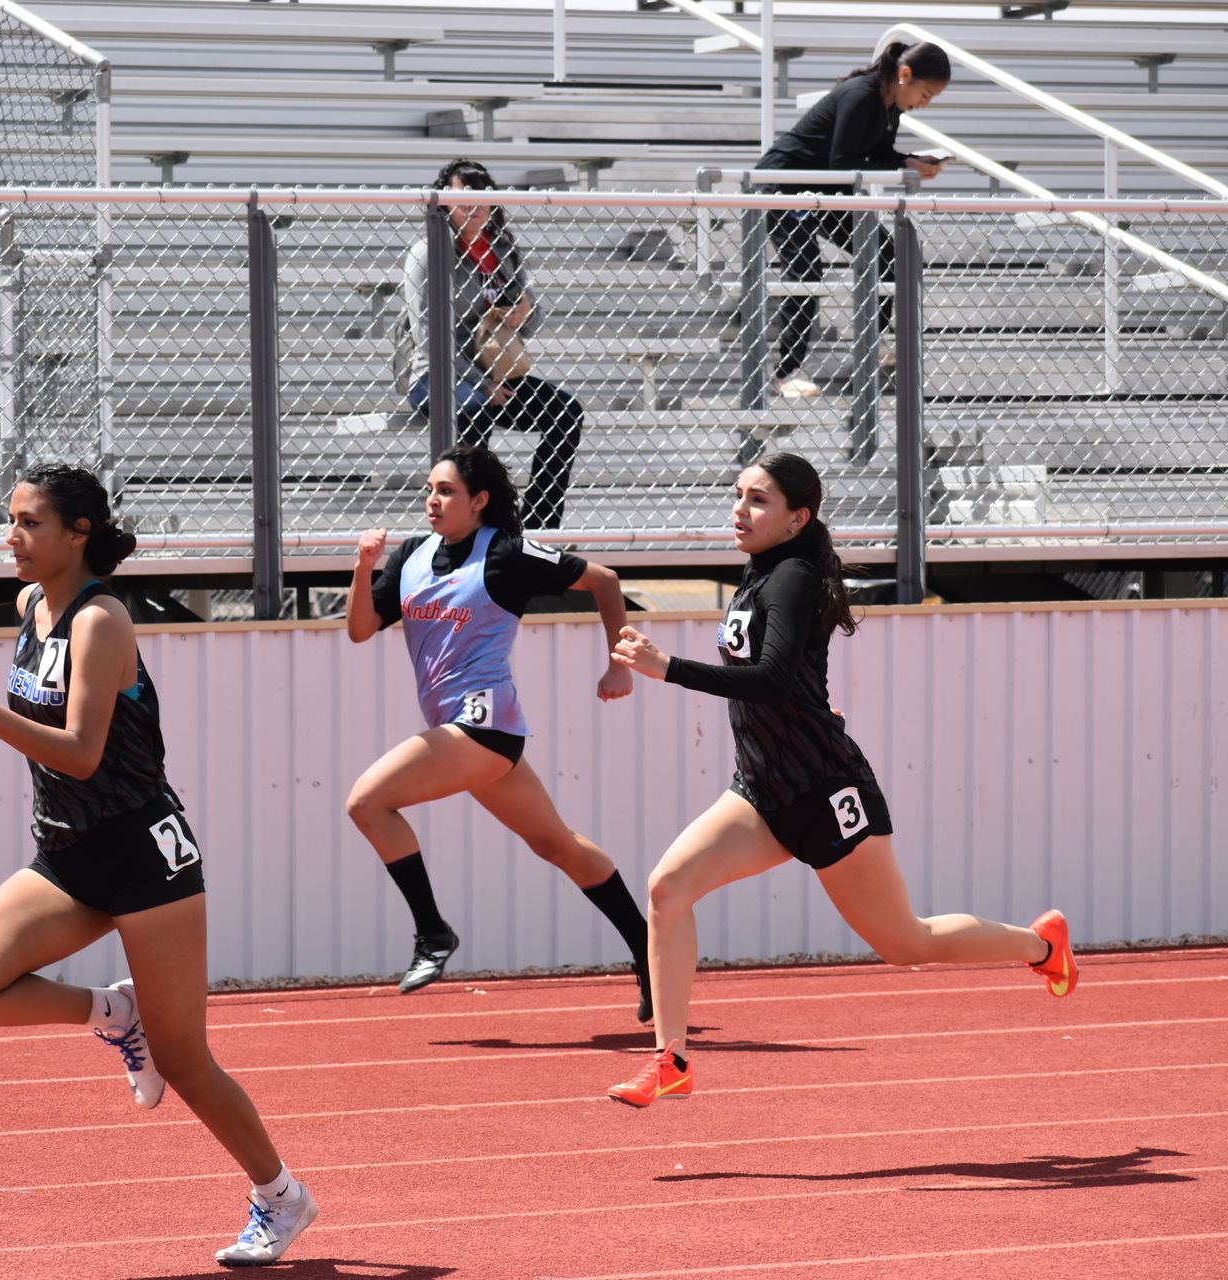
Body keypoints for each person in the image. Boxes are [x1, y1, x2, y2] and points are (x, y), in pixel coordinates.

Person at [603, 452, 1077, 1108]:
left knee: (905, 943)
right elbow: (793, 681)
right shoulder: (760, 571)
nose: (740, 510)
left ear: (799, 517)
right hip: (763, 790)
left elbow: (771, 681)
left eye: (759, 500)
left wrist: (667, 668)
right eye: (738, 495)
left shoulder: (790, 576)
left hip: (826, 793)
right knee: (667, 887)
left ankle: (1039, 943)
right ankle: (673, 1058)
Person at [0, 464, 317, 1267]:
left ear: (79, 533)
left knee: (187, 1060)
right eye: (11, 520)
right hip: (69, 851)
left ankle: (281, 1197)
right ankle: (114, 1015)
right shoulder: (30, 605)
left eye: (30, 523)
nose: (13, 537)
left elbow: (80, 754)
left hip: (145, 854)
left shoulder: (101, 620)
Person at [346, 444, 653, 1018]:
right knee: (555, 844)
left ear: (480, 501)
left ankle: (432, 933)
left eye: (446, 492)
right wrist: (364, 568)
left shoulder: (508, 553)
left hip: (483, 725)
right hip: (463, 733)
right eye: (429, 490)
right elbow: (362, 629)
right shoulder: (413, 555)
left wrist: (619, 662)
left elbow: (606, 581)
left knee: (367, 802)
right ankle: (651, 953)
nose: (432, 501)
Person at [755, 40, 951, 399]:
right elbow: (843, 160)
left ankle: (868, 346)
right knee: (805, 271)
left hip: (826, 190)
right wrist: (901, 164)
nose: (926, 103)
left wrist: (910, 160)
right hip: (787, 185)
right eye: (926, 93)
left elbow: (874, 155)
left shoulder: (891, 107)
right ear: (904, 75)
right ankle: (784, 374)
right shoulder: (861, 95)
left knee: (888, 255)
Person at [401, 158, 587, 528]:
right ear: (443, 204)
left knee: (567, 413)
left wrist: (524, 313)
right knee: (476, 411)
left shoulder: (500, 249)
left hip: (496, 372)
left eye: (482, 198)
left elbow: (531, 318)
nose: (473, 207)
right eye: (462, 199)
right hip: (439, 375)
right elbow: (428, 337)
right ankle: (478, 527)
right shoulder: (428, 252)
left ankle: (537, 526)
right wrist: (477, 383)